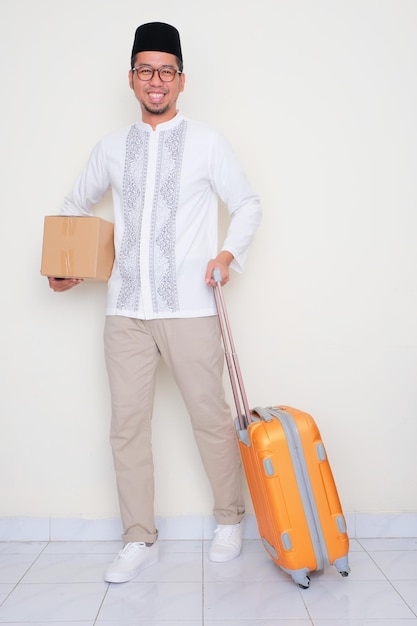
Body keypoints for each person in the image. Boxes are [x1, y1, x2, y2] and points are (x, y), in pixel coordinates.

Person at [48, 21, 262, 583]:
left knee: (210, 418)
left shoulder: (208, 142)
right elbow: (74, 206)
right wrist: (69, 266)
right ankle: (138, 536)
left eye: (167, 70)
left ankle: (229, 520)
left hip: (191, 308)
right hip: (125, 312)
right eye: (146, 69)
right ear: (132, 78)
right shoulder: (112, 147)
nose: (156, 80)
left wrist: (227, 258)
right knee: (126, 427)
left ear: (182, 80)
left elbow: (247, 205)